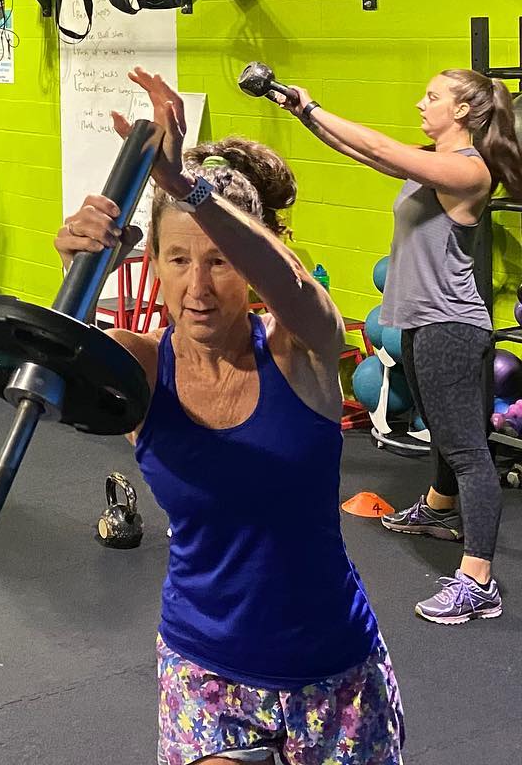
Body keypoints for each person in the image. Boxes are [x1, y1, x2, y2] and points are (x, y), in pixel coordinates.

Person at [56, 69, 404, 765]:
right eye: (178, 259)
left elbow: (295, 287)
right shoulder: (141, 366)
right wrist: (76, 266)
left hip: (333, 673)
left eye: (219, 262)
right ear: (153, 263)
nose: (198, 286)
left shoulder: (300, 349)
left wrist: (185, 187)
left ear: (250, 267)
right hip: (205, 671)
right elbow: (53, 360)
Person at [273, 67, 522, 625]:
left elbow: (383, 148)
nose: (420, 103)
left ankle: (478, 582)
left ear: (462, 111)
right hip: (423, 322)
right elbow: (369, 154)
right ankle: (439, 509)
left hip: (450, 327)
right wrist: (303, 112)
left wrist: (314, 110)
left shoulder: (469, 170)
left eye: (432, 97)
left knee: (468, 450)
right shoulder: (434, 161)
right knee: (444, 430)